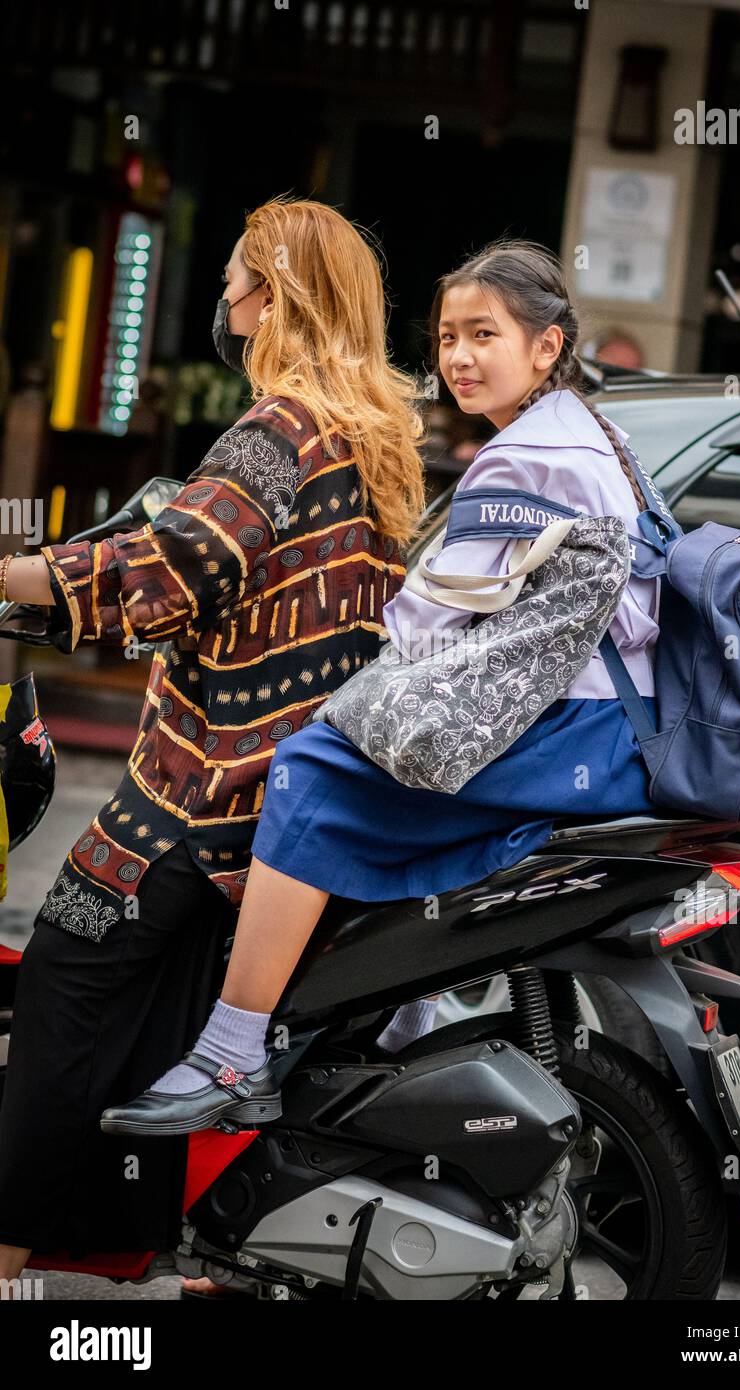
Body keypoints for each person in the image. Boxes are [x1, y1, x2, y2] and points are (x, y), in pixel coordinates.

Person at [99, 237, 662, 1139]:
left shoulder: (523, 461)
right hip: (609, 729)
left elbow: (422, 631)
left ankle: (234, 1049)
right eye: (446, 338)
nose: (460, 358)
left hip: (570, 731)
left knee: (311, 771)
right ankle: (405, 1008)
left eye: (485, 334)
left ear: (547, 347)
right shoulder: (595, 434)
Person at [0, 195, 437, 1291]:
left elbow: (165, 566)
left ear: (274, 299)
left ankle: (9, 1254)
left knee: (63, 982)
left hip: (196, 790)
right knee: (164, 1009)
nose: (225, 298)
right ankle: (153, 1247)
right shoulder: (376, 436)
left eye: (240, 278)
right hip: (289, 798)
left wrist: (13, 579)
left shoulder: (279, 431)